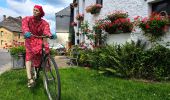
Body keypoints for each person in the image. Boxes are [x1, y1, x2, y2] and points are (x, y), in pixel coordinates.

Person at [22, 5, 56, 88]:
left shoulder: (44, 23)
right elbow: (25, 26)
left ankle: (43, 68)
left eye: (36, 10)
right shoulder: (27, 19)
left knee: (46, 50)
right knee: (29, 56)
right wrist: (26, 32)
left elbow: (46, 31)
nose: (34, 11)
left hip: (40, 40)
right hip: (30, 39)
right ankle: (29, 79)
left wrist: (50, 35)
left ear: (40, 13)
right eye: (34, 10)